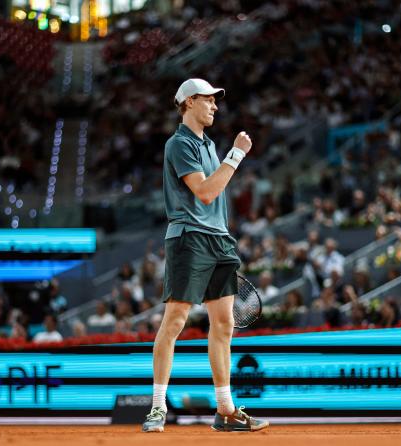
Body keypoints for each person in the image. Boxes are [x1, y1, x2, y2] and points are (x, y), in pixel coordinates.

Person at [142, 79, 268, 433]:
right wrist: (237, 154)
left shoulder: (208, 144)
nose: (215, 106)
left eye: (215, 101)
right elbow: (206, 192)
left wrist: (227, 154)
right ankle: (156, 408)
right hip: (189, 237)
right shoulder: (179, 144)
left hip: (220, 241)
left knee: (224, 324)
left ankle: (226, 410)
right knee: (176, 320)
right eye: (209, 100)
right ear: (190, 102)